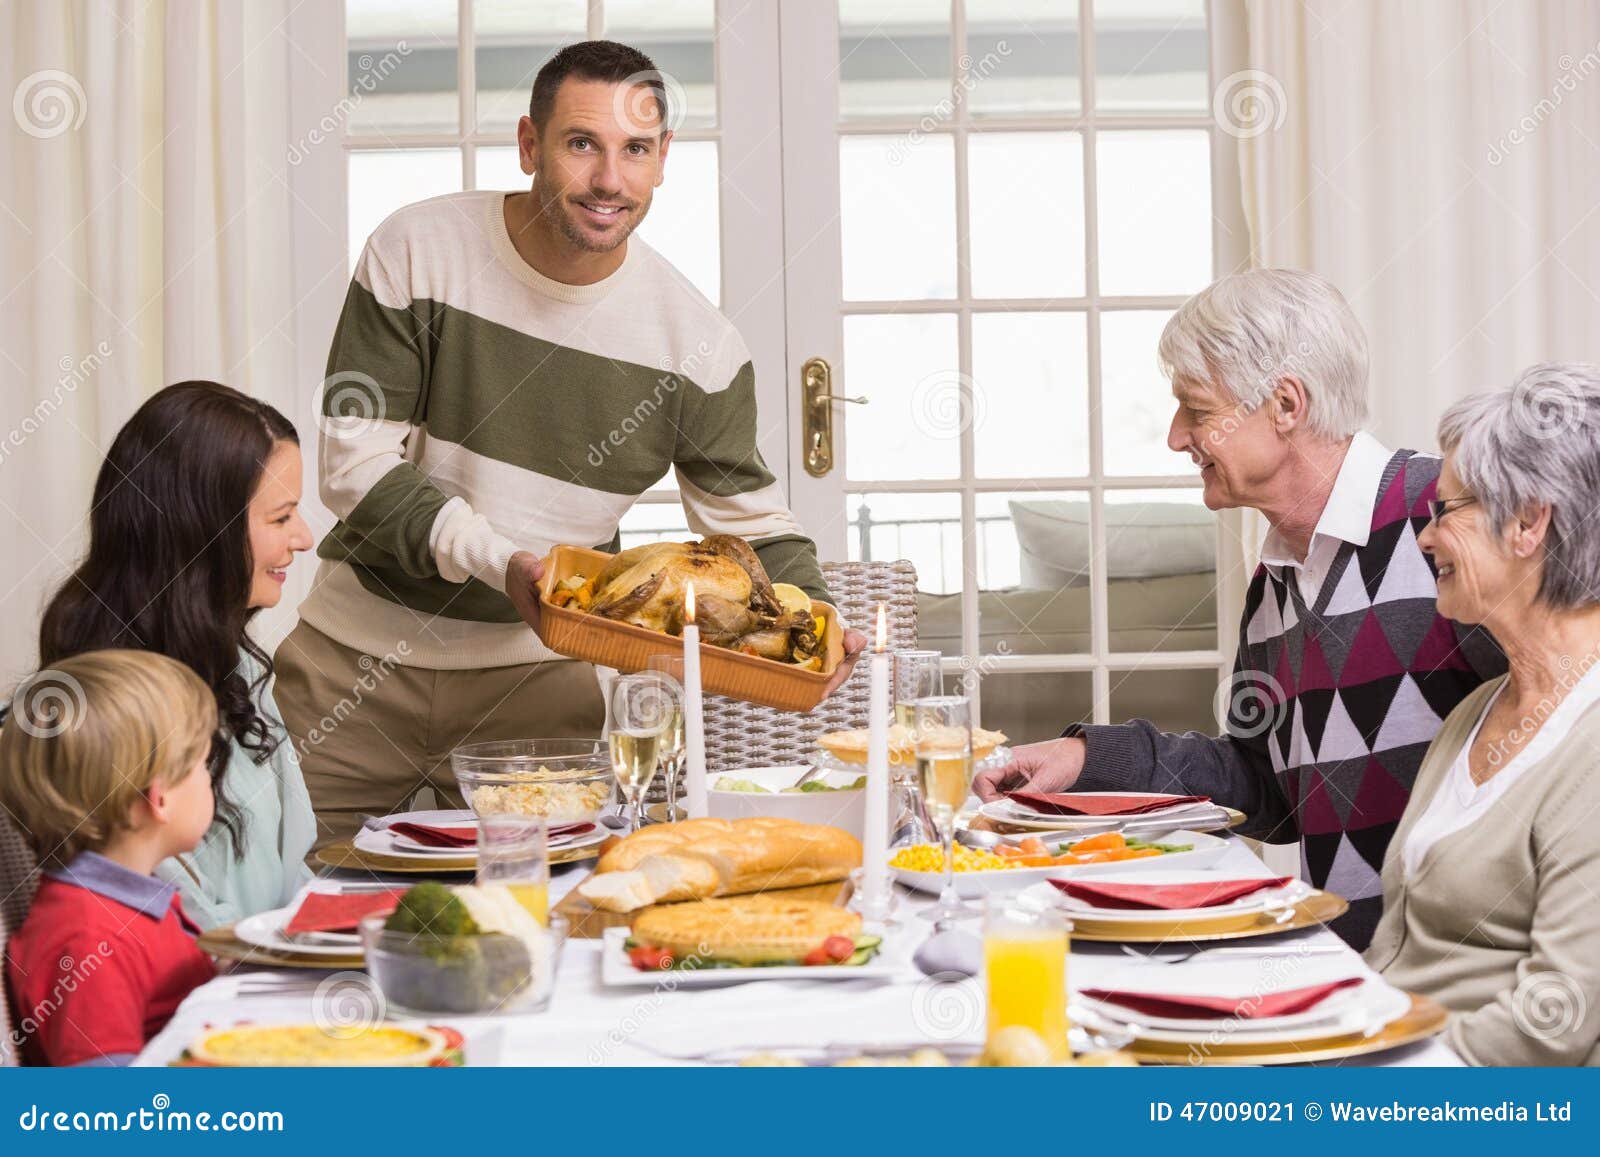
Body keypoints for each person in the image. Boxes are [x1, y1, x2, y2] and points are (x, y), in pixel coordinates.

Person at [274, 39, 865, 845]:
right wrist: (501, 562)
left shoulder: (697, 344)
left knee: (536, 939)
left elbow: (756, 528)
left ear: (662, 162)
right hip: (351, 669)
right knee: (296, 916)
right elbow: (353, 465)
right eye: (581, 144)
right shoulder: (417, 249)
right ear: (529, 145)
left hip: (542, 690)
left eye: (636, 151)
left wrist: (818, 619)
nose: (608, 181)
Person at [975, 269, 1504, 947]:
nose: (1174, 437)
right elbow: (1267, 791)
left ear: (1286, 404)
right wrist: (1087, 757)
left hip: (1461, 992)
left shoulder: (1446, 521)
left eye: (1195, 410)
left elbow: (1567, 732)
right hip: (1350, 977)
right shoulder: (1276, 581)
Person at [1366, 364, 1600, 1065]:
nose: (1425, 537)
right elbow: (1396, 947)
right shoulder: (1477, 710)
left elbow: (1557, 1017)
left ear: (1529, 520)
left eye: (1446, 511)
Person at [37, 381, 316, 928]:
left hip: (275, 972)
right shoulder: (111, 709)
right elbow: (179, 928)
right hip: (211, 996)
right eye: (282, 518)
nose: (304, 538)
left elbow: (294, 874)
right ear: (204, 531)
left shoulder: (238, 663)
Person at [2, 651, 220, 1066]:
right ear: (159, 799)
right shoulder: (89, 939)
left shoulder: (122, 906)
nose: (209, 777)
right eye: (202, 764)